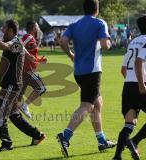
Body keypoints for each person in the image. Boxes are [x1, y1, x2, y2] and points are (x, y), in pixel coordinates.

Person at [57, 0, 116, 158]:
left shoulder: (75, 24)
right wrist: (109, 42)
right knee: (87, 106)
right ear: (97, 9)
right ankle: (66, 136)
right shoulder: (99, 23)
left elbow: (62, 41)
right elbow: (105, 45)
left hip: (79, 72)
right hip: (92, 71)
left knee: (97, 103)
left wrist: (70, 55)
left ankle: (102, 140)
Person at [0, 19, 46, 151]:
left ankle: (7, 143)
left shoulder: (16, 43)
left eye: (4, 28)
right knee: (13, 114)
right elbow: (1, 41)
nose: (1, 30)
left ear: (11, 30)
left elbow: (4, 46)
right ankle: (37, 135)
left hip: (11, 85)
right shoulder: (14, 41)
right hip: (10, 84)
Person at [113, 15, 146, 160]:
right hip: (141, 85)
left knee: (129, 124)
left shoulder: (133, 42)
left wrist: (132, 82)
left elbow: (123, 69)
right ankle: (134, 141)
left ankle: (117, 156)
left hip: (128, 86)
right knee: (130, 124)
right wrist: (141, 85)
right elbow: (139, 62)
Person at [19, 21, 47, 118]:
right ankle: (24, 105)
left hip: (25, 70)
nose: (38, 28)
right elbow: (19, 46)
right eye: (37, 26)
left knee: (17, 95)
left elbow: (30, 55)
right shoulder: (29, 37)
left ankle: (3, 114)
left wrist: (39, 60)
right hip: (28, 70)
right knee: (41, 88)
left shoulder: (31, 38)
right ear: (34, 28)